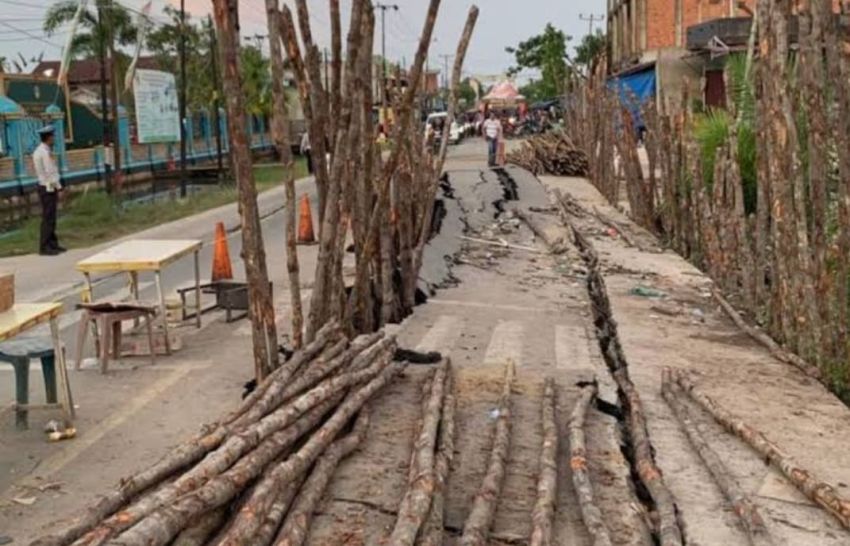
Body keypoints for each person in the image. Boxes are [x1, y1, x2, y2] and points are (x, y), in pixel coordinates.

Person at [33, 125, 65, 256]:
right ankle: (45, 246)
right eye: (53, 136)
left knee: (51, 216)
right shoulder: (44, 152)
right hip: (48, 187)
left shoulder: (41, 150)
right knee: (48, 217)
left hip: (46, 186)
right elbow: (50, 172)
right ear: (49, 138)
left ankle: (53, 244)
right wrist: (59, 187)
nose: (54, 139)